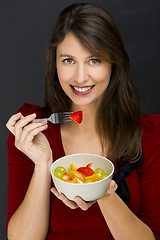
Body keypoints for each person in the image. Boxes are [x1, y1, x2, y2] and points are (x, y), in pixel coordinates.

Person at [6, 3, 160, 240]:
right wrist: (42, 163)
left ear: (113, 63)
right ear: (54, 63)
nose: (80, 77)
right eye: (68, 60)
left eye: (94, 60)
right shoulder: (34, 131)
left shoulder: (150, 136)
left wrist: (104, 194)